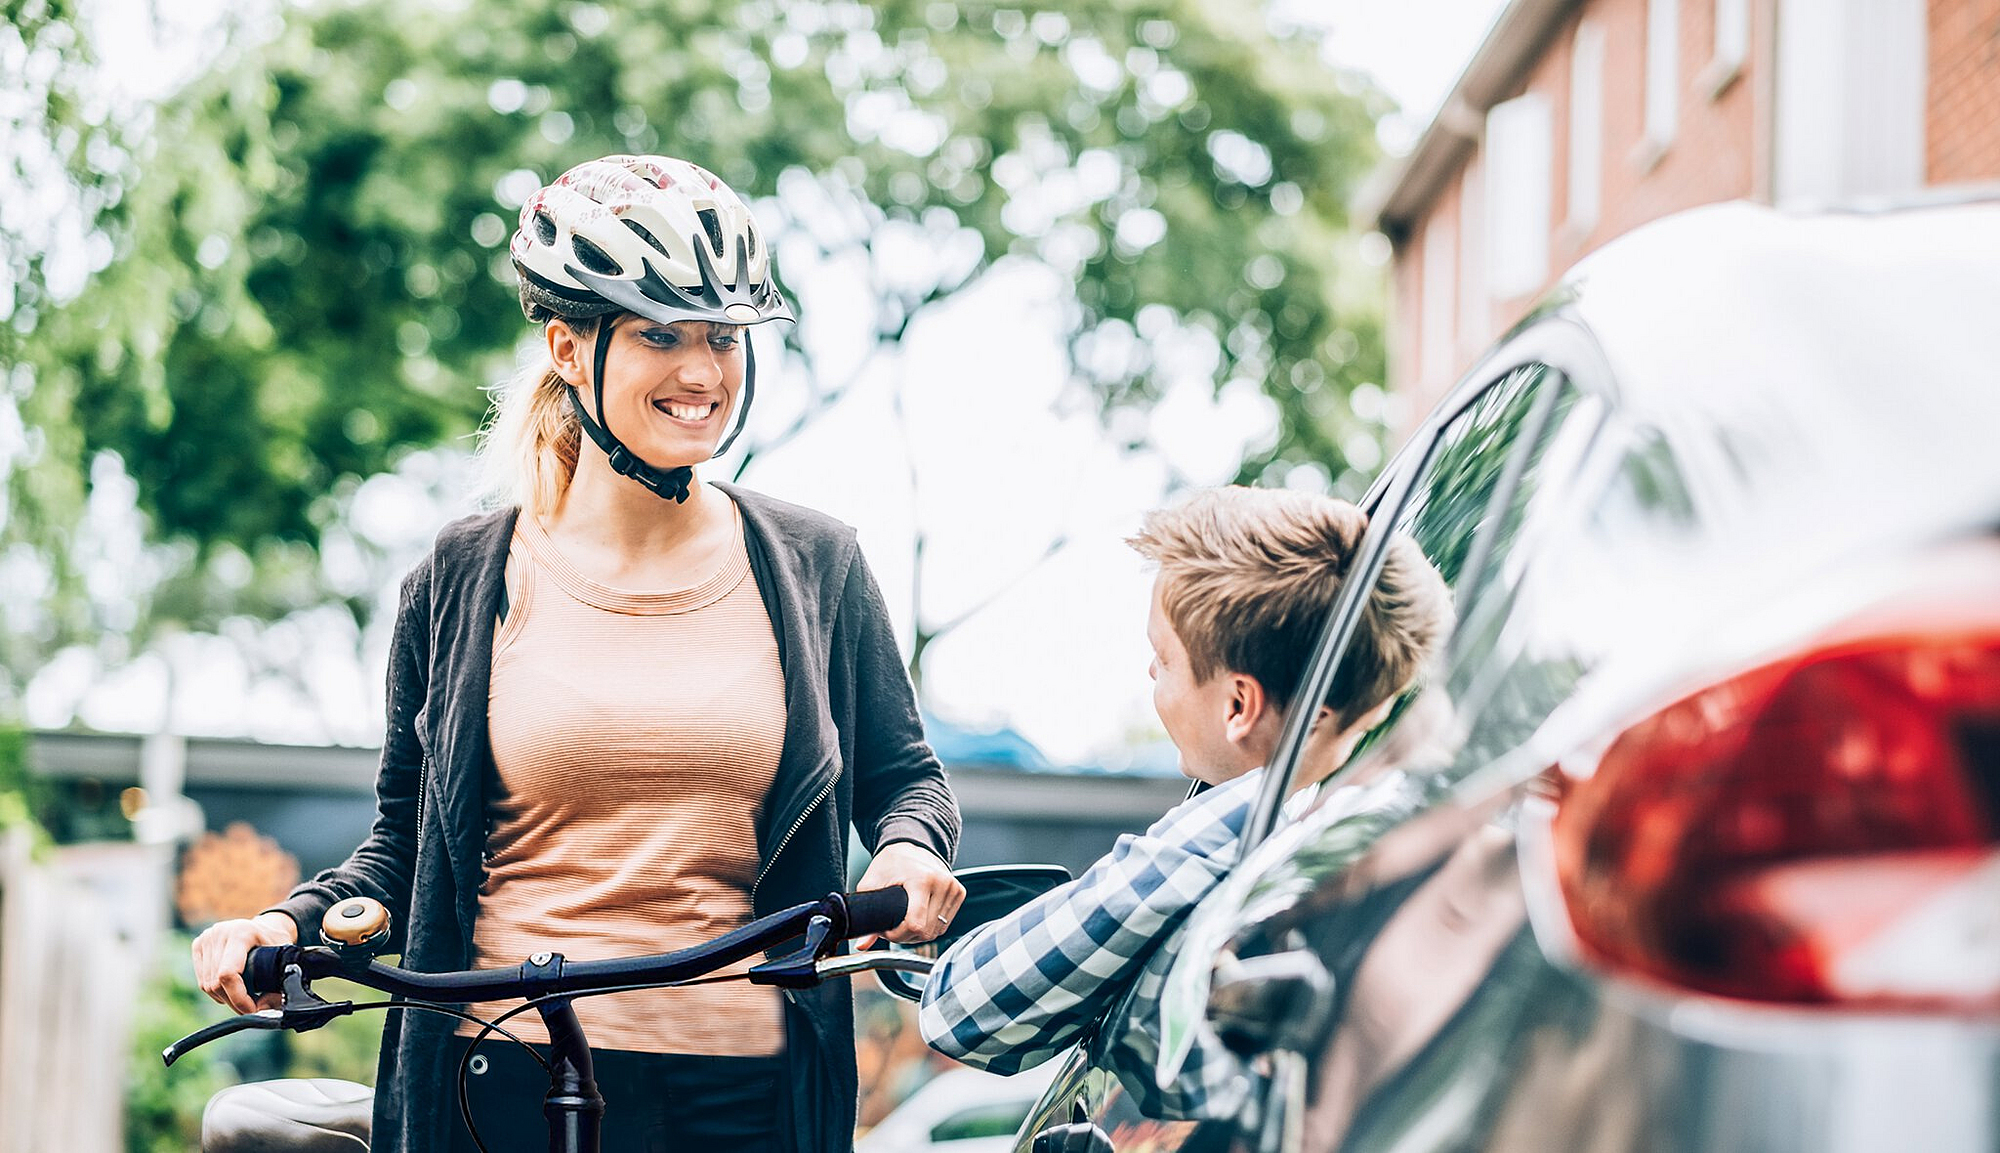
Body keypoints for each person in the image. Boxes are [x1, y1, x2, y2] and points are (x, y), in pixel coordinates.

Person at [191, 154, 965, 1153]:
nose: (703, 371)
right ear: (567, 344)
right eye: (659, 333)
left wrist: (908, 851)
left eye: (723, 336)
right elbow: (402, 848)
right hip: (503, 1072)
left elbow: (906, 779)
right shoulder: (463, 580)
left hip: (745, 1090)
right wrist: (284, 923)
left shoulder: (815, 566)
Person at [917, 485, 1448, 1086]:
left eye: (1164, 657)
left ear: (1239, 706)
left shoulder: (1234, 825)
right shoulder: (1388, 813)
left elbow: (958, 1009)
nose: (1150, 671)